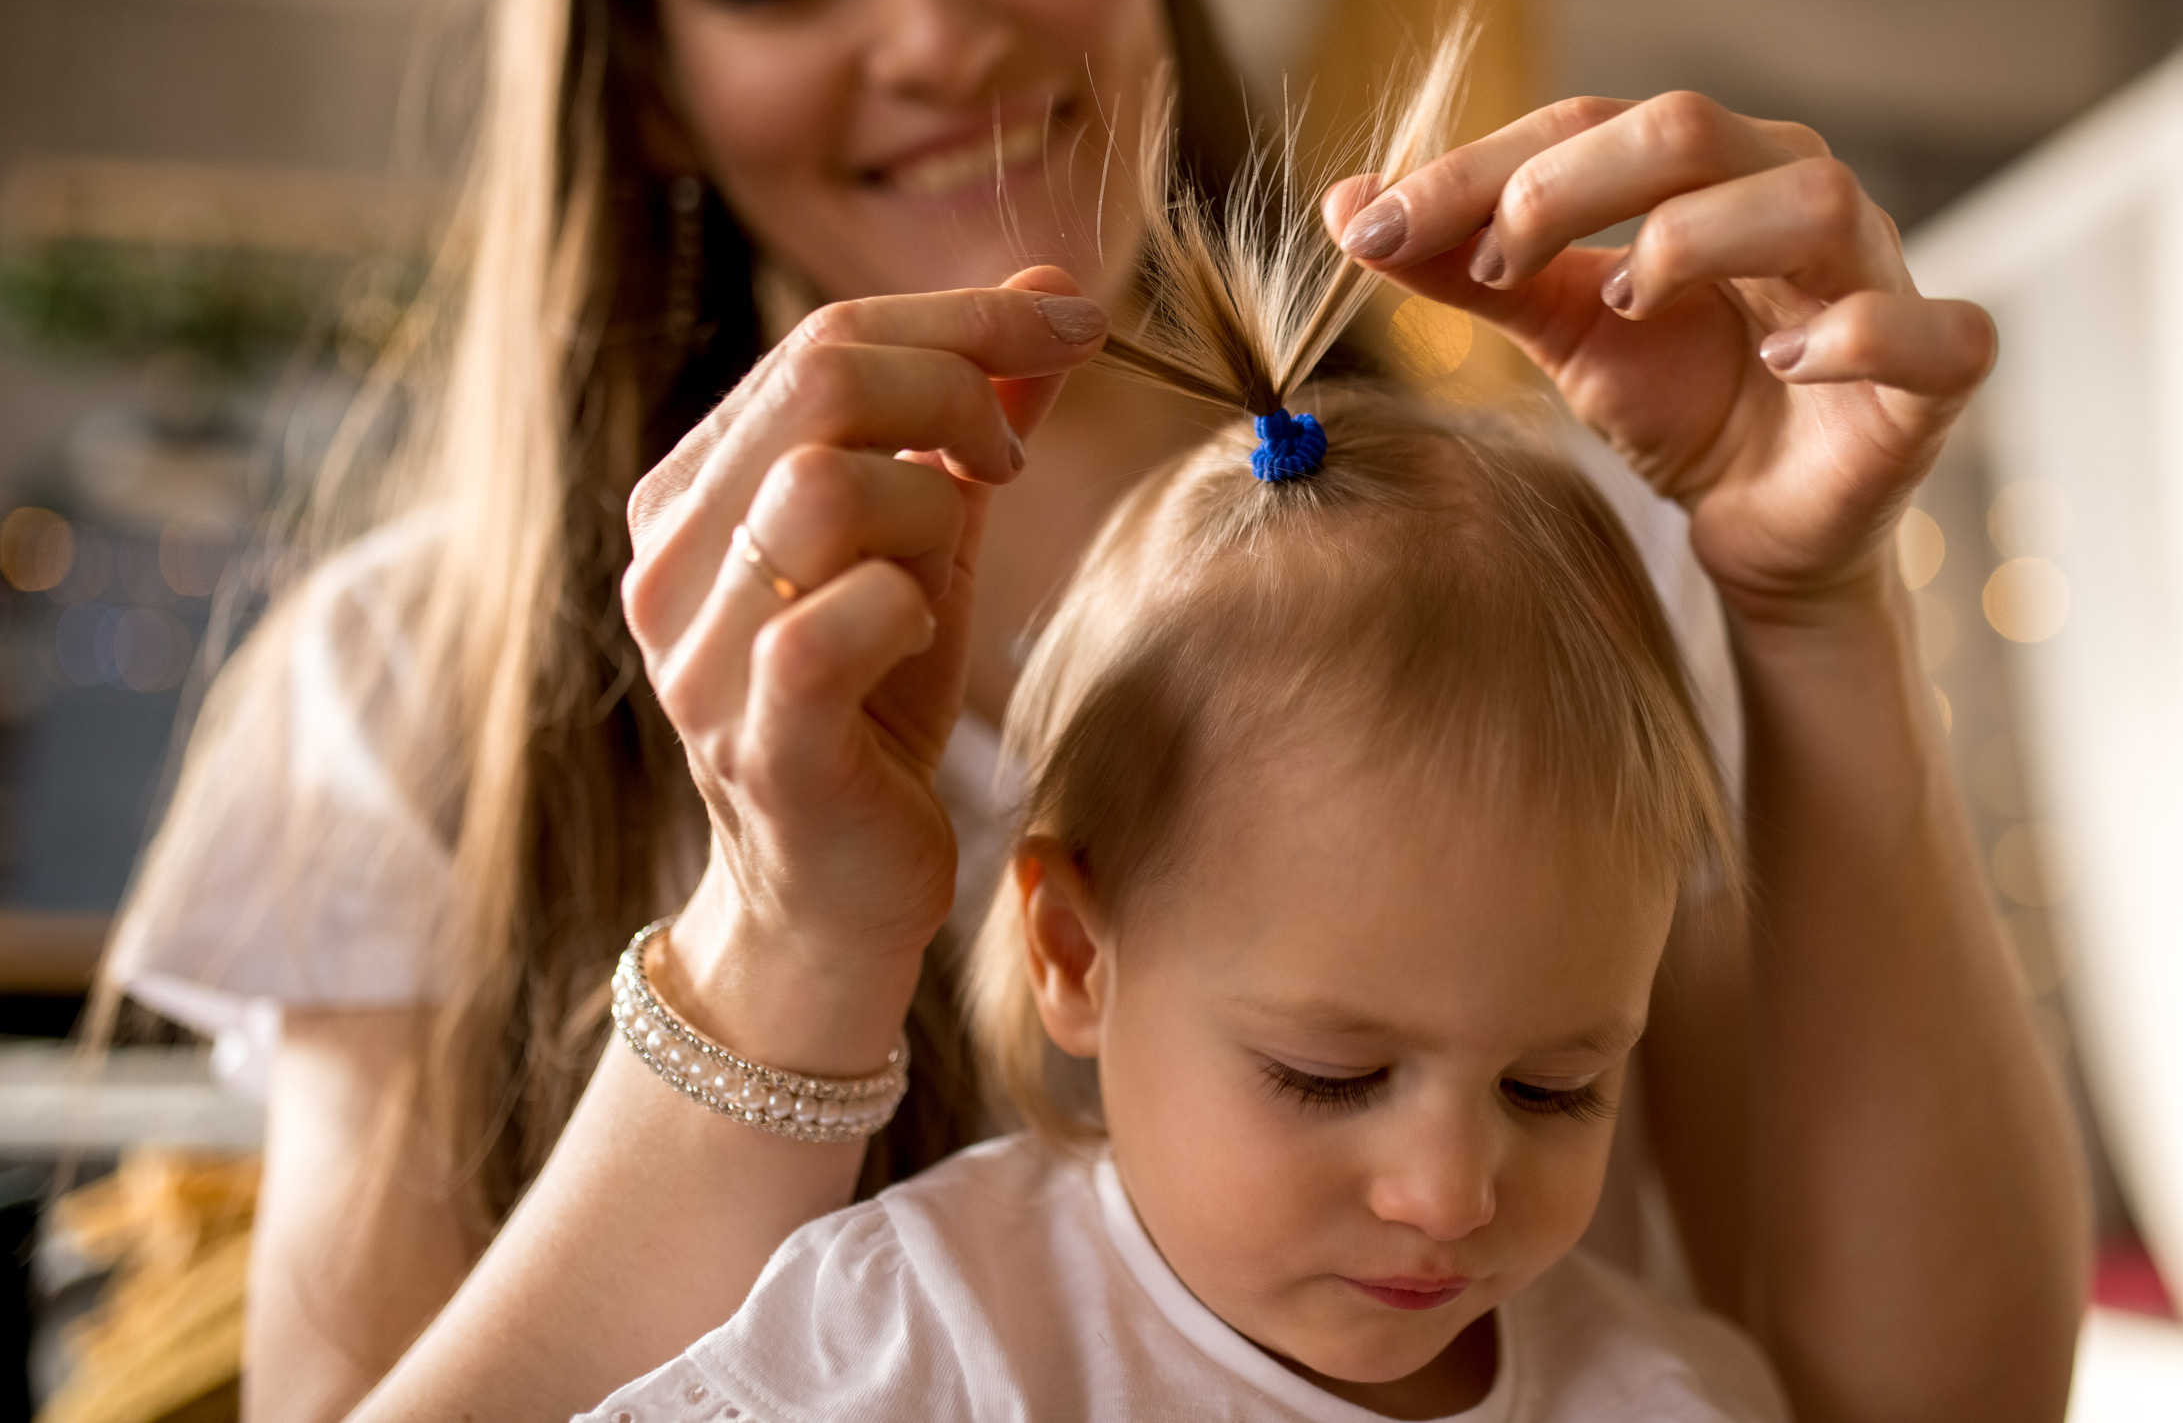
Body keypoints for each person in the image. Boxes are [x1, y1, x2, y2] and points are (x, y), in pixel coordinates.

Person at [99, 0, 2087, 1420]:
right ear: (648, 86)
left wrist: (1808, 606)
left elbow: (1922, 1399)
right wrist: (782, 945)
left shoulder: (1573, 566)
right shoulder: (394, 686)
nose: (945, 31)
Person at [581, 133, 1786, 1417]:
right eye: (1329, 1074)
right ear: (1074, 949)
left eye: (1555, 1087)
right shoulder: (923, 1336)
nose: (1449, 1194)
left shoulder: (1670, 1393)